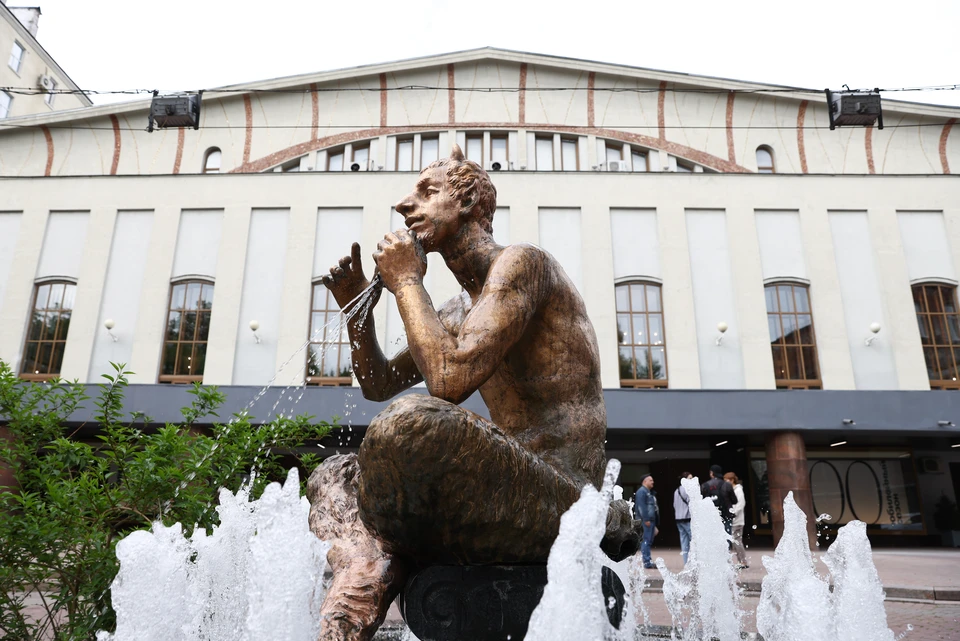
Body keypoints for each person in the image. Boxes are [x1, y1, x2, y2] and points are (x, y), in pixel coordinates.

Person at [308, 145, 636, 640]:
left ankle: (378, 560)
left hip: (561, 493)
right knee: (332, 475)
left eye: (426, 191)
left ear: (467, 204)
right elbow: (377, 385)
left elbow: (449, 381)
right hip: (502, 489)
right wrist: (358, 313)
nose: (404, 204)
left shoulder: (523, 265)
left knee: (411, 423)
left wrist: (405, 283)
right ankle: (367, 565)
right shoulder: (462, 308)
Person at [701, 464, 738, 534]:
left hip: (712, 516)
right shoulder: (727, 485)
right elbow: (734, 500)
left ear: (712, 473)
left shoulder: (705, 486)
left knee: (714, 536)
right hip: (726, 514)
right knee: (727, 536)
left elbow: (702, 503)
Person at [634, 474, 659, 569]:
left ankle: (648, 560)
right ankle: (647, 562)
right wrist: (646, 519)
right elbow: (641, 507)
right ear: (645, 481)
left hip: (650, 521)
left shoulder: (648, 492)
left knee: (648, 541)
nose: (653, 482)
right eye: (650, 480)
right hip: (646, 521)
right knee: (646, 541)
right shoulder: (642, 492)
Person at [724, 472, 748, 569]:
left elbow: (741, 504)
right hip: (734, 520)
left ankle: (743, 561)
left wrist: (732, 513)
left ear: (732, 480)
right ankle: (741, 561)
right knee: (735, 541)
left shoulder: (738, 490)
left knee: (737, 541)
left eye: (727, 480)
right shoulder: (733, 490)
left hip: (737, 521)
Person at [673, 472, 693, 565]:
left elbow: (674, 505)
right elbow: (692, 504)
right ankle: (693, 562)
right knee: (694, 541)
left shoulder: (676, 491)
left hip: (678, 519)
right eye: (690, 478)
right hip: (687, 518)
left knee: (684, 542)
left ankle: (686, 563)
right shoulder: (688, 490)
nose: (692, 480)